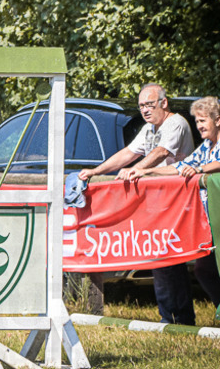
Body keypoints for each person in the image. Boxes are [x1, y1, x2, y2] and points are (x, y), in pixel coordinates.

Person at [78, 83, 196, 325]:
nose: (144, 110)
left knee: (173, 260)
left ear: (164, 103)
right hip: (157, 204)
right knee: (158, 259)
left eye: (149, 105)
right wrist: (96, 170)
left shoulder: (176, 123)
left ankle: (182, 319)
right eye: (141, 105)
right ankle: (167, 317)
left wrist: (135, 170)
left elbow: (161, 152)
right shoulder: (149, 128)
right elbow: (128, 153)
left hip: (178, 203)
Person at [127, 96, 220, 318]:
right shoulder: (206, 146)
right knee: (204, 269)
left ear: (218, 120)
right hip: (209, 220)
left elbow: (209, 166)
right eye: (196, 121)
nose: (199, 126)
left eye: (203, 120)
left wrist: (202, 170)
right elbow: (181, 167)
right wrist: (146, 171)